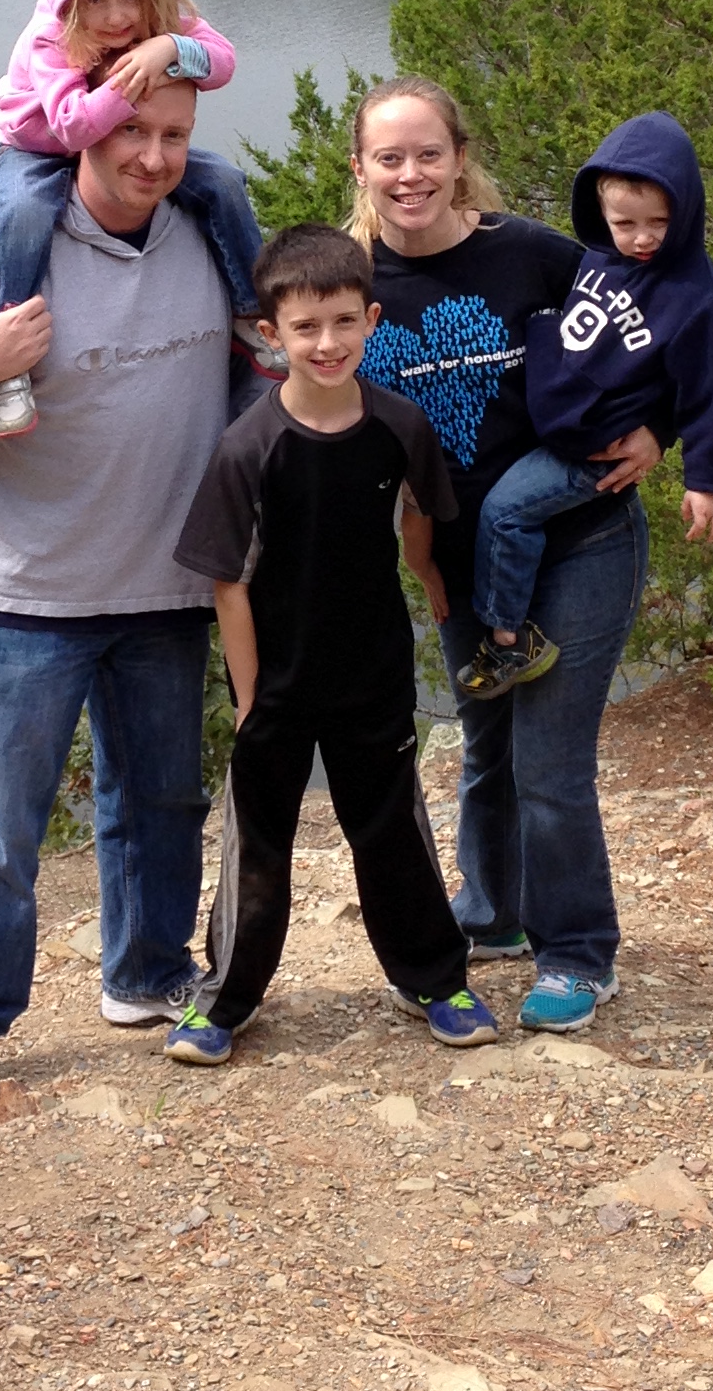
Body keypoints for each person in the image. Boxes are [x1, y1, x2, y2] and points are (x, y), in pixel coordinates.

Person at [0, 77, 235, 1118]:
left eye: (175, 135)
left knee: (162, 805)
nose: (154, 157)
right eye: (131, 132)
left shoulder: (212, 242)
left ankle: (148, 973)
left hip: (167, 587)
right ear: (79, 133)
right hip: (24, 599)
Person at [350, 78, 655, 1036]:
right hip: (459, 563)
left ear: (459, 159)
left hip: (581, 539)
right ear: (360, 168)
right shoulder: (350, 282)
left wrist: (661, 426)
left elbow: (658, 321)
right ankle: (494, 916)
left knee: (549, 762)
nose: (410, 175)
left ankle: (579, 954)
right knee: (487, 748)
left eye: (428, 154)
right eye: (390, 158)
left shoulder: (531, 255)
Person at [165, 224, 499, 1067]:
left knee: (392, 834)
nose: (327, 343)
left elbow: (420, 509)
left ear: (371, 319)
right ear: (270, 334)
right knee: (258, 846)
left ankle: (436, 980)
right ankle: (225, 1001)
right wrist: (248, 697)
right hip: (276, 683)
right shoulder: (250, 446)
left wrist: (425, 573)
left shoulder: (399, 425)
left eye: (345, 321)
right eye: (305, 327)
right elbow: (229, 582)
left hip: (373, 674)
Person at [456, 111, 713, 702]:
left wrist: (706, 482)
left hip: (595, 449)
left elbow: (708, 391)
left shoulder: (693, 297)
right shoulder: (601, 256)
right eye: (624, 223)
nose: (642, 238)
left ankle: (508, 639)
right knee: (502, 508)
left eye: (659, 223)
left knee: (505, 514)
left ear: (686, 212)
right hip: (557, 425)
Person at [0, 0, 272, 438]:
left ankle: (250, 311)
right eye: (96, 0)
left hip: (119, 141)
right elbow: (71, 125)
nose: (117, 18)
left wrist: (169, 48)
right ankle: (7, 361)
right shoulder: (49, 38)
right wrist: (128, 83)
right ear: (70, 0)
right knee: (25, 215)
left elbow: (224, 61)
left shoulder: (157, 25)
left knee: (223, 182)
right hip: (37, 146)